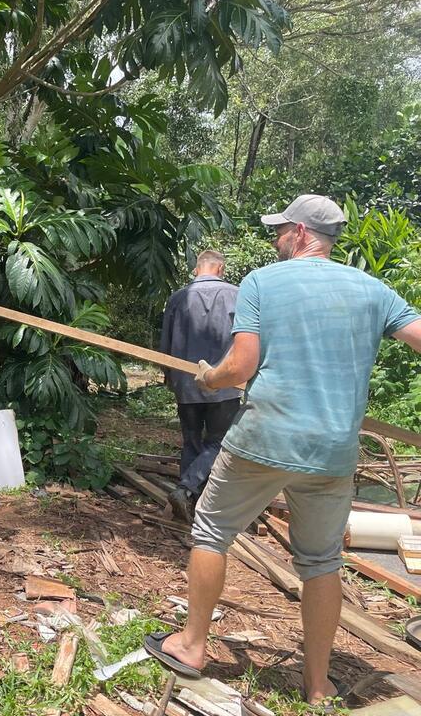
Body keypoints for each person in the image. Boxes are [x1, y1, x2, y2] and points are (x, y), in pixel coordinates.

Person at [142, 195, 421, 709]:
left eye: (280, 231)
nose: (275, 240)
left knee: (212, 530)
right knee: (321, 560)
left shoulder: (262, 282)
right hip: (333, 449)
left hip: (265, 438)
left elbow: (241, 366)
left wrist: (210, 378)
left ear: (300, 233)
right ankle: (318, 685)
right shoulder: (374, 290)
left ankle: (192, 645)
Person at [159, 250, 241, 523]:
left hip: (186, 382)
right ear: (220, 269)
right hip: (225, 383)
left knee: (191, 440)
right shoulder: (237, 295)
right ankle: (186, 490)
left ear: (197, 269)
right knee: (219, 441)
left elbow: (165, 342)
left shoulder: (178, 298)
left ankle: (186, 496)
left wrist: (169, 376)